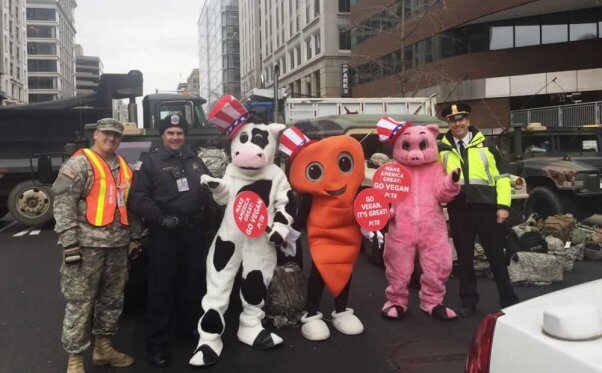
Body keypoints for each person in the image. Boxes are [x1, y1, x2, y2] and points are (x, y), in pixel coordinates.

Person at [52, 118, 139, 373]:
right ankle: (75, 359)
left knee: (112, 300)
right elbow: (63, 202)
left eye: (116, 136)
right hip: (85, 247)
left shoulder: (123, 165)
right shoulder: (79, 163)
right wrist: (69, 243)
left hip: (117, 246)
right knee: (80, 302)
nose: (111, 139)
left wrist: (134, 237)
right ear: (96, 134)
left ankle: (103, 348)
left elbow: (128, 205)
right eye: (107, 134)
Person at [128, 114, 212, 368]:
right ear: (162, 135)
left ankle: (188, 330)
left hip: (193, 233)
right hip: (165, 233)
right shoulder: (151, 163)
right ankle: (157, 345)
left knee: (192, 284)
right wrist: (162, 219)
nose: (176, 137)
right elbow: (138, 199)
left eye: (179, 133)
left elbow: (209, 188)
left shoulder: (194, 159)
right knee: (161, 290)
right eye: (170, 133)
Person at [438, 103, 519, 318]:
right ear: (448, 122)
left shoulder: (488, 145)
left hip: (487, 208)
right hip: (459, 209)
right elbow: (436, 180)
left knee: (495, 256)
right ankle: (468, 301)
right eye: (453, 120)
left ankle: (509, 300)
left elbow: (503, 177)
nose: (458, 123)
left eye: (461, 119)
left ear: (468, 120)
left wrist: (503, 206)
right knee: (464, 258)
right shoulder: (442, 150)